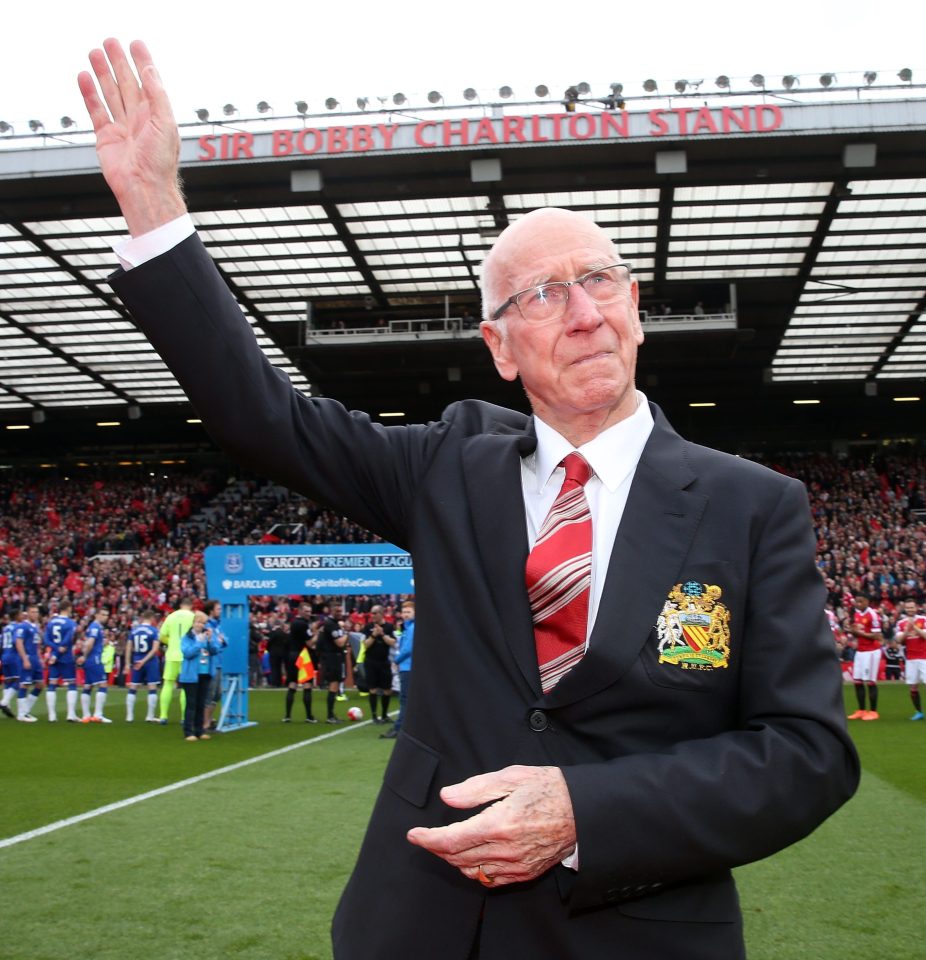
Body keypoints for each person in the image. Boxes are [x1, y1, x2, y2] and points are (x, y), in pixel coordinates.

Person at [79, 40, 859, 959]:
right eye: (542, 294)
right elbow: (261, 417)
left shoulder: (754, 506)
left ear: (635, 304)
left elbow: (807, 754)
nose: (582, 312)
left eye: (600, 279)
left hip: (633, 933)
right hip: (421, 924)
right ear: (499, 347)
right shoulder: (449, 467)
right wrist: (156, 208)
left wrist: (587, 813)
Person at [179, 610, 223, 741]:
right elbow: (187, 653)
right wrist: (199, 642)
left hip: (205, 673)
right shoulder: (187, 638)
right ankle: (188, 732)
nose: (200, 625)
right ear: (193, 623)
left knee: (201, 703)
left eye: (203, 623)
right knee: (191, 704)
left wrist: (210, 640)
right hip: (191, 676)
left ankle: (200, 730)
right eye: (198, 622)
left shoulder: (207, 635)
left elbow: (215, 650)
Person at [380, 601, 414, 740]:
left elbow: (408, 648)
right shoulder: (407, 627)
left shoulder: (412, 628)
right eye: (404, 612)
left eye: (409, 612)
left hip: (408, 667)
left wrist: (396, 660)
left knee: (405, 699)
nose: (405, 615)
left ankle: (399, 728)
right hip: (408, 666)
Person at [157, 596, 194, 723]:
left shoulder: (171, 616)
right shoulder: (193, 616)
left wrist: (171, 642)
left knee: (167, 684)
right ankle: (184, 717)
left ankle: (163, 716)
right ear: (190, 606)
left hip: (172, 654)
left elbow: (161, 636)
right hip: (186, 656)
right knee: (185, 686)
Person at [847, 592, 882, 720]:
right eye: (857, 601)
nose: (858, 603)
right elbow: (858, 633)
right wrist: (852, 631)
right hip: (860, 651)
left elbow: (878, 636)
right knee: (857, 681)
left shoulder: (873, 615)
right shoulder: (856, 614)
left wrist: (859, 633)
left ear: (867, 601)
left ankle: (873, 711)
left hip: (872, 652)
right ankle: (861, 710)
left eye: (861, 601)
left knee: (870, 682)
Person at [43, 600, 79, 723]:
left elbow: (46, 639)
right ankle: (70, 714)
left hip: (53, 656)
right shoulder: (71, 623)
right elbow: (68, 639)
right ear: (68, 608)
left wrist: (54, 651)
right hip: (66, 657)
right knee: (72, 684)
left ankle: (52, 716)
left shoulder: (51, 622)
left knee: (52, 684)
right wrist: (59, 650)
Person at [124, 608, 162, 722]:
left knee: (133, 687)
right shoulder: (154, 631)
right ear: (151, 618)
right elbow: (155, 649)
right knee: (152, 687)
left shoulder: (134, 631)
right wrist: (144, 661)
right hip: (150, 661)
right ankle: (150, 716)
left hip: (136, 659)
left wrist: (127, 663)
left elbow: (128, 647)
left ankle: (129, 716)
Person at [77, 608, 113, 723]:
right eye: (102, 614)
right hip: (94, 659)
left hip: (90, 660)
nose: (105, 617)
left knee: (88, 686)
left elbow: (92, 642)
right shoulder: (95, 627)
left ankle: (86, 716)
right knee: (103, 684)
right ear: (96, 615)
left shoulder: (96, 627)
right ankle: (98, 715)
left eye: (106, 615)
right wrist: (84, 655)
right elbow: (90, 643)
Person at [362, 604, 396, 724]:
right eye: (372, 613)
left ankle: (384, 715)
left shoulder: (389, 626)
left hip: (384, 662)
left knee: (387, 689)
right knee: (373, 689)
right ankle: (374, 716)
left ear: (381, 613)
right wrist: (374, 635)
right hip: (371, 662)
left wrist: (382, 634)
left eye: (375, 613)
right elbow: (365, 644)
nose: (373, 616)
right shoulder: (368, 627)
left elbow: (393, 642)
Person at [315, 606, 347, 723]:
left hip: (335, 657)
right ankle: (330, 716)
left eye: (340, 611)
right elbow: (340, 642)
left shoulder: (334, 624)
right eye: (336, 611)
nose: (339, 613)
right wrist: (347, 633)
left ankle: (331, 714)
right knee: (333, 684)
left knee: (336, 684)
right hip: (332, 658)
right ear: (331, 611)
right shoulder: (330, 624)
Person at [896, 597, 926, 720]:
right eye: (908, 608)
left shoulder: (923, 620)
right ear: (905, 609)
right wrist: (907, 630)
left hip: (924, 658)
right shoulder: (901, 623)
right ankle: (919, 712)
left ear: (916, 608)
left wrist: (914, 627)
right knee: (913, 687)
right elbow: (898, 640)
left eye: (912, 607)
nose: (910, 610)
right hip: (910, 658)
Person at [13, 605, 43, 722]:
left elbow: (37, 645)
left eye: (36, 612)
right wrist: (25, 659)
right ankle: (21, 714)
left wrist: (39, 658)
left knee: (40, 685)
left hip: (35, 659)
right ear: (27, 613)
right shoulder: (23, 626)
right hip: (27, 657)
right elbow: (19, 643)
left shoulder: (35, 627)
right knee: (24, 684)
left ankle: (25, 711)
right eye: (32, 612)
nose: (35, 614)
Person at [202, 599, 225, 731]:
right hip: (211, 663)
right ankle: (205, 723)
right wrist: (219, 642)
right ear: (211, 611)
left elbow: (224, 640)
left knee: (218, 694)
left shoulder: (217, 625)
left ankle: (208, 720)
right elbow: (214, 645)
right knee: (210, 693)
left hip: (218, 661)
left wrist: (220, 642)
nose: (220, 611)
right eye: (218, 609)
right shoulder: (208, 625)